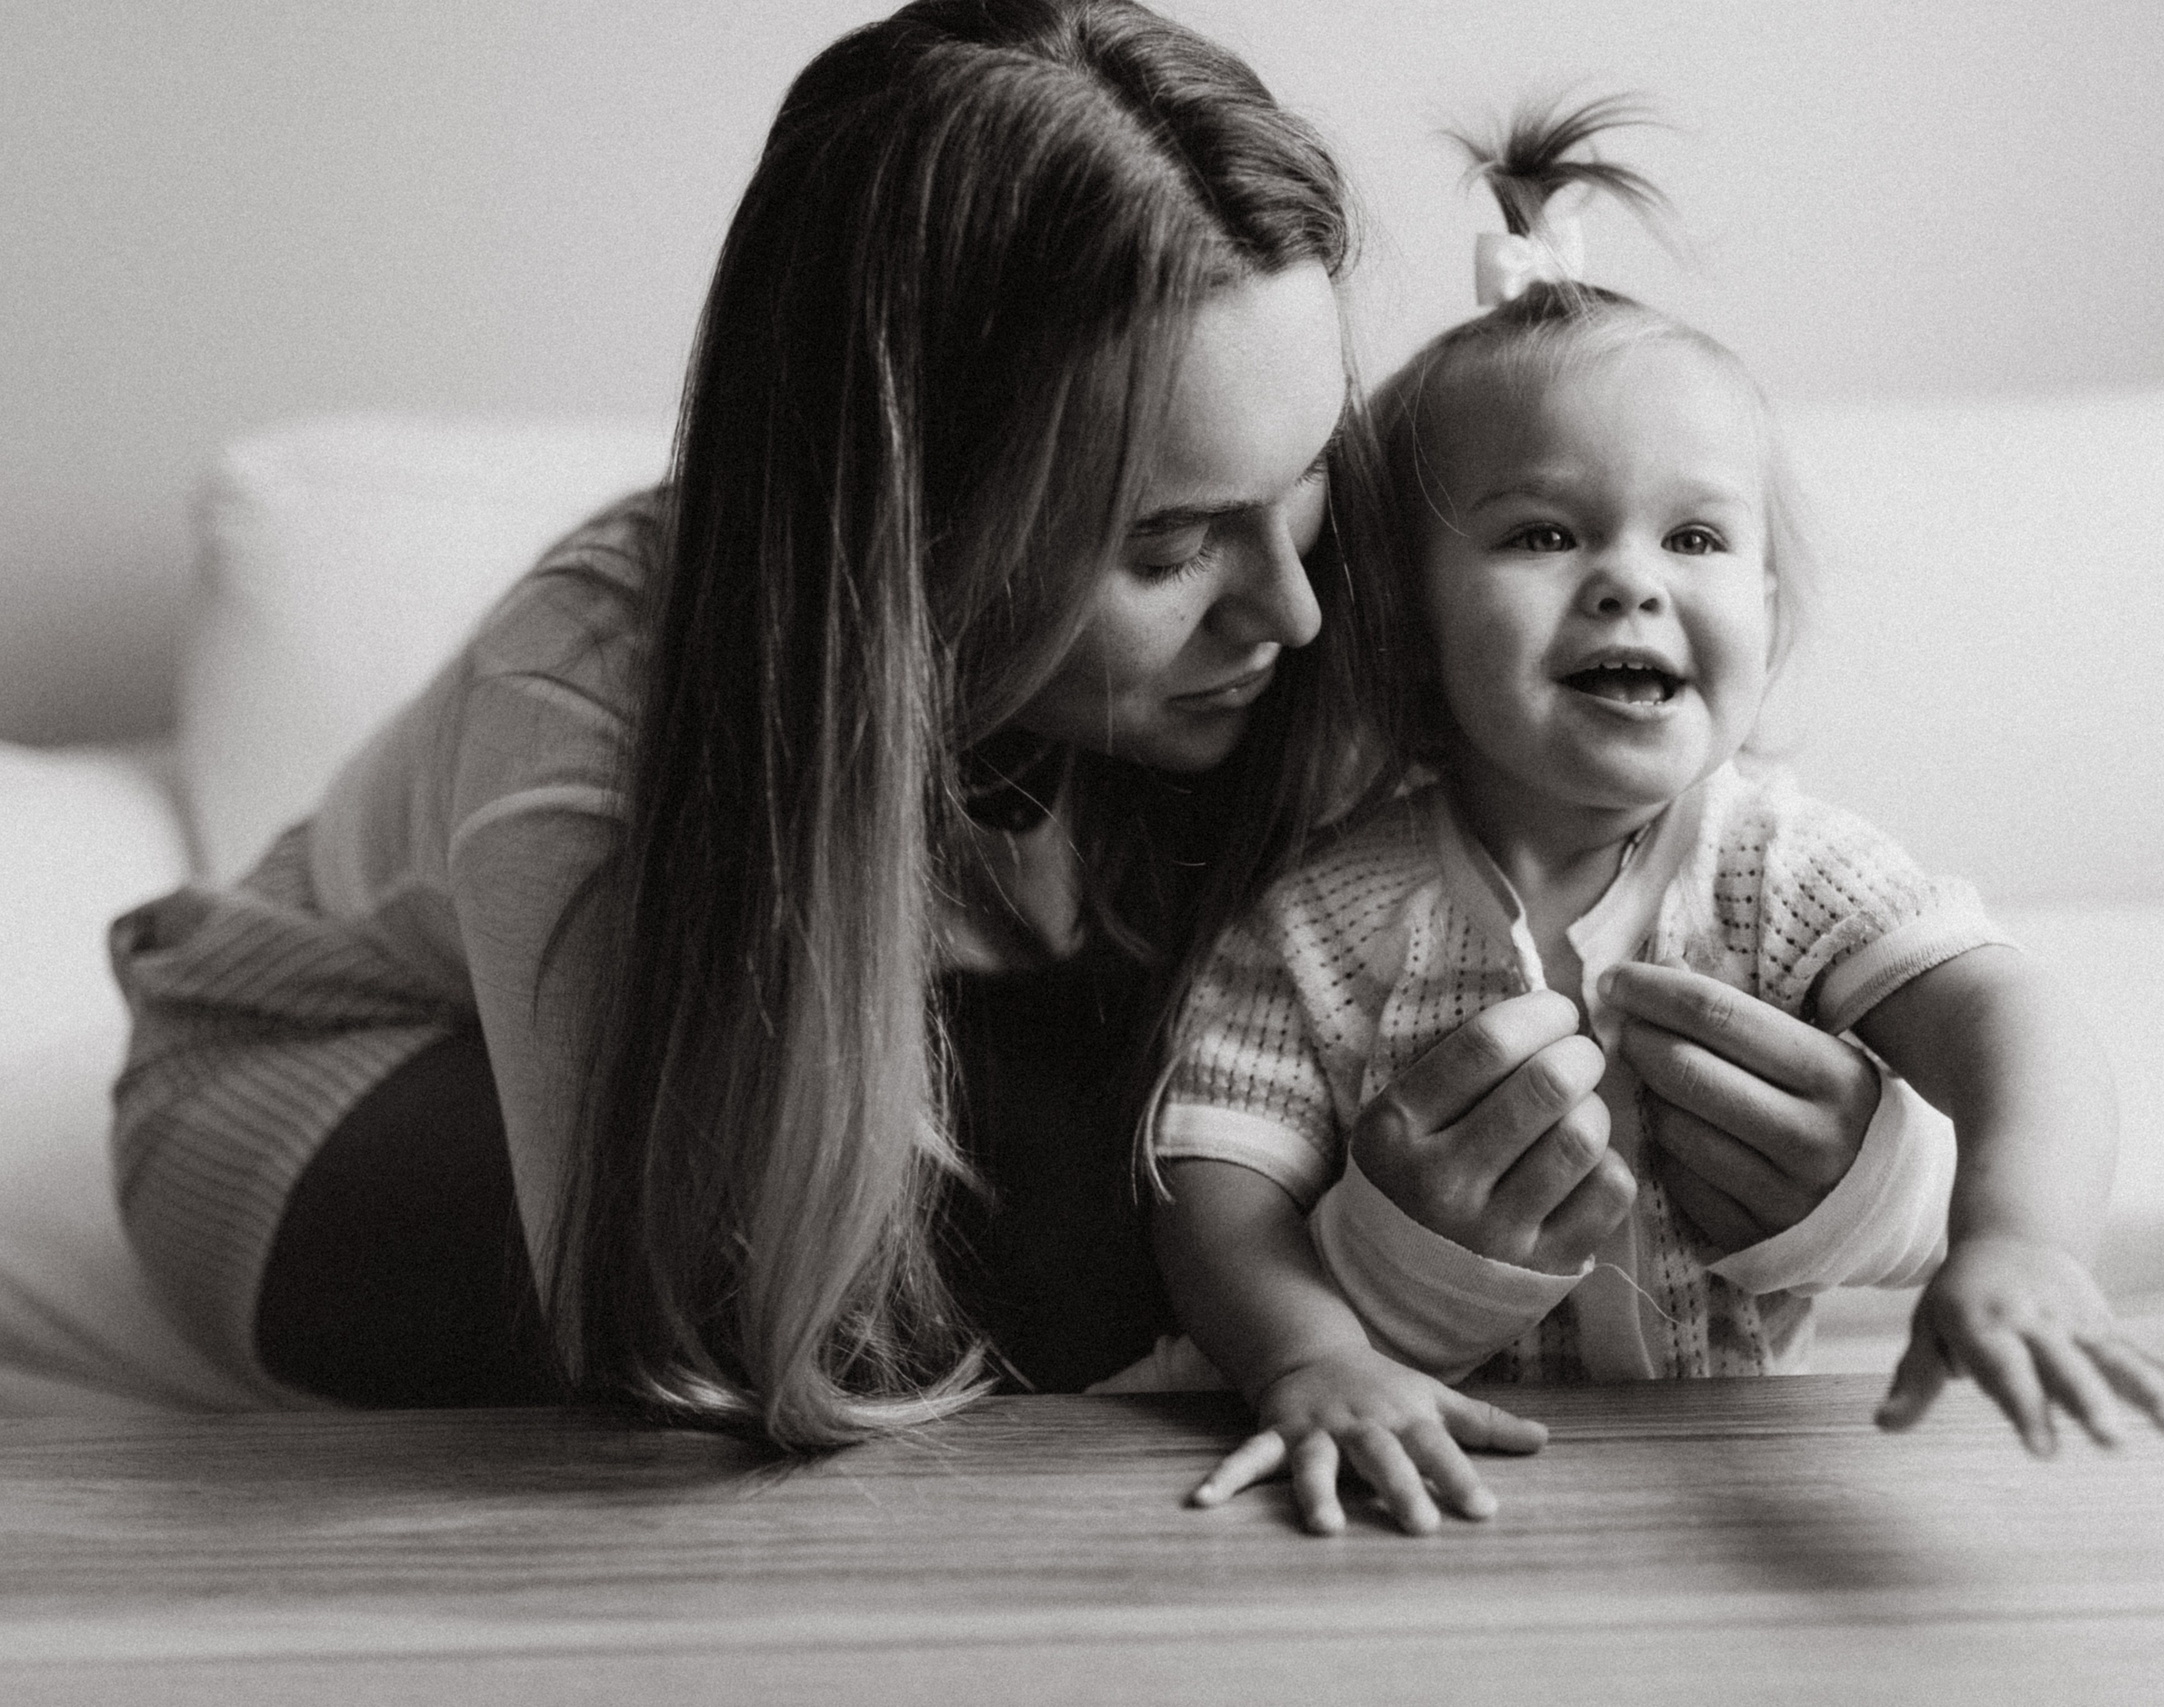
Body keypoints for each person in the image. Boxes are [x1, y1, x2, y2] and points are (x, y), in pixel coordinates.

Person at [105, 4, 1924, 1457]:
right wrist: (1368, 1268)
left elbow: (1696, 879)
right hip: (340, 1073)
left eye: (1301, 496)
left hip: (944, 1046)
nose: (1293, 617)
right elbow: (688, 1336)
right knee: (1037, 1210)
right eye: (1162, 545)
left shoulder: (1304, 600)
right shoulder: (599, 704)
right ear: (913, 540)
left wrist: (1860, 1172)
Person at [1145, 103, 2164, 1534]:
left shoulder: (1781, 867)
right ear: (1398, 624)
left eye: (1697, 538)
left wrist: (2019, 1242)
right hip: (1444, 1482)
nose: (1631, 581)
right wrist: (1317, 1356)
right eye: (1544, 533)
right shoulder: (1328, 915)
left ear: (1766, 620)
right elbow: (1215, 1181)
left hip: (1729, 1484)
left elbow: (2018, 1026)